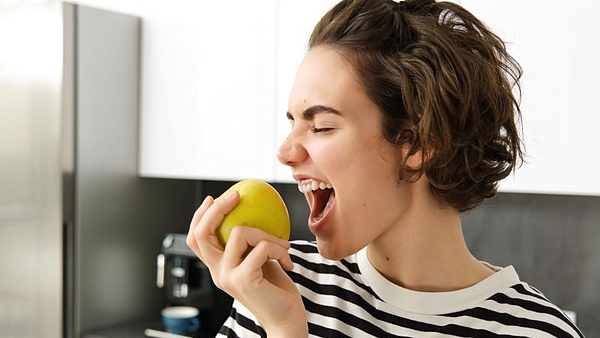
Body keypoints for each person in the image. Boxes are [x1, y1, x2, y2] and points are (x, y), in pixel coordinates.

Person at [187, 0, 584, 337]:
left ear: (417, 143)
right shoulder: (276, 285)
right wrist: (285, 327)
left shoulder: (534, 330)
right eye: (292, 122)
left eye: (321, 125)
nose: (286, 151)